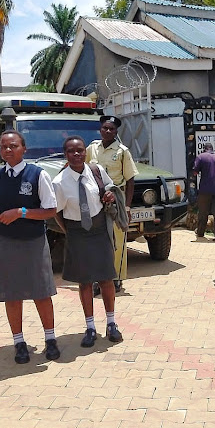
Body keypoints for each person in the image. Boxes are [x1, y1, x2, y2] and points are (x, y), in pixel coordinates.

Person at [0, 130, 60, 364]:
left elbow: (50, 210)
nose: (8, 150)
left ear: (24, 148)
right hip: (4, 241)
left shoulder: (37, 175)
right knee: (11, 294)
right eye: (4, 146)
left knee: (41, 292)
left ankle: (50, 339)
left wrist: (21, 212)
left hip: (33, 242)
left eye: (14, 146)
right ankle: (19, 342)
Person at [53, 136, 123, 348]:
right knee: (84, 282)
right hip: (77, 232)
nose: (77, 154)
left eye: (80, 151)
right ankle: (90, 327)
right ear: (65, 154)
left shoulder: (96, 171)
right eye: (72, 151)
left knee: (106, 278)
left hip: (100, 229)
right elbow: (56, 212)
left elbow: (109, 188)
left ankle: (111, 323)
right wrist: (70, 231)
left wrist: (110, 194)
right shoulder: (60, 182)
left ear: (86, 152)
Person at [86, 115, 138, 294]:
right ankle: (96, 279)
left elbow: (130, 180)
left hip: (115, 198)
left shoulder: (123, 151)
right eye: (105, 128)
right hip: (94, 199)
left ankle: (116, 278)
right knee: (95, 240)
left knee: (116, 240)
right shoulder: (92, 148)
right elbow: (82, 169)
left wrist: (127, 207)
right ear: (100, 129)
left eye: (112, 129)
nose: (108, 131)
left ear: (116, 132)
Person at [192, 143, 215, 242]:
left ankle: (201, 232)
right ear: (212, 149)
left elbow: (195, 171)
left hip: (205, 189)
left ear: (204, 149)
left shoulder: (201, 157)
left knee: (203, 212)